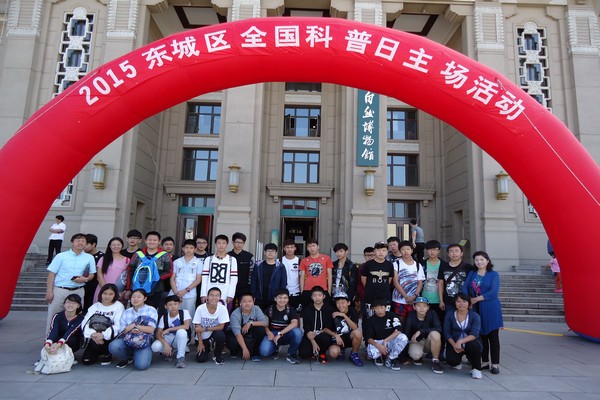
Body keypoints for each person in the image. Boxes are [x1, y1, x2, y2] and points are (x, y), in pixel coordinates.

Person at [45, 233, 96, 333]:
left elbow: (92, 275)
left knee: (76, 316)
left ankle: (69, 339)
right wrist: (49, 291)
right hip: (60, 290)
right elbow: (51, 274)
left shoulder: (89, 258)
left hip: (78, 290)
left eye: (83, 241)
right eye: (78, 240)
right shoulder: (61, 256)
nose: (80, 243)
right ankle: (49, 338)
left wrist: (84, 279)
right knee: (54, 315)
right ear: (72, 242)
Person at [462, 251, 503, 374]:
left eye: (482, 260)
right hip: (475, 308)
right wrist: (468, 299)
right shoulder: (472, 274)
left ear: (487, 261)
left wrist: (476, 299)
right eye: (476, 260)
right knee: (481, 336)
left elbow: (493, 292)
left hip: (490, 308)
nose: (479, 262)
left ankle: (495, 364)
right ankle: (484, 361)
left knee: (493, 337)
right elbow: (465, 287)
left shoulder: (493, 274)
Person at [109, 289, 158, 370]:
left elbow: (151, 330)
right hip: (128, 338)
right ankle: (128, 357)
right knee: (114, 346)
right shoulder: (127, 312)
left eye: (139, 297)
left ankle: (141, 354)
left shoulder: (151, 310)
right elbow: (122, 329)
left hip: (143, 341)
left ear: (145, 298)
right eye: (133, 297)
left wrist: (134, 326)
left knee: (141, 366)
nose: (135, 299)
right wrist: (131, 330)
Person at [123, 231, 173, 309]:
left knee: (152, 311)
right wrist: (128, 288)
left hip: (156, 289)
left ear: (159, 241)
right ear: (145, 241)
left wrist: (155, 277)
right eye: (149, 240)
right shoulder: (138, 254)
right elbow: (130, 271)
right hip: (137, 288)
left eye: (155, 240)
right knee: (136, 310)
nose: (152, 242)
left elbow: (169, 271)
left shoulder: (164, 255)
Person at [80, 283, 124, 365]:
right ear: (101, 294)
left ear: (115, 295)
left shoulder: (119, 306)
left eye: (111, 294)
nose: (107, 296)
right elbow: (85, 322)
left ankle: (107, 352)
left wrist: (103, 335)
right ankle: (99, 352)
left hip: (109, 337)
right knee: (86, 361)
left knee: (105, 343)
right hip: (94, 337)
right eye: (105, 293)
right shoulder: (95, 306)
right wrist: (93, 334)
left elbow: (118, 325)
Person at [443, 293, 483, 379]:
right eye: (458, 301)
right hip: (454, 342)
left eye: (464, 301)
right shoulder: (450, 314)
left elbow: (474, 334)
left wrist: (460, 342)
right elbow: (446, 333)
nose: (461, 304)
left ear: (469, 303)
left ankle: (476, 369)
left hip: (470, 342)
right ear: (455, 303)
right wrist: (454, 345)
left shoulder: (475, 316)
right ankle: (457, 362)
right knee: (451, 361)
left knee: (474, 346)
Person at [362, 298, 408, 371]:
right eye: (376, 308)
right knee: (371, 352)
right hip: (378, 342)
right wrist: (378, 345)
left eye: (381, 307)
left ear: (385, 308)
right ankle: (378, 357)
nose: (379, 310)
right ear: (373, 309)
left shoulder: (392, 315)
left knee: (403, 337)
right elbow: (368, 338)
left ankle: (391, 358)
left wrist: (386, 340)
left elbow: (398, 330)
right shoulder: (370, 320)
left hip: (390, 341)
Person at [259, 288, 302, 364]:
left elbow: (294, 323)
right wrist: (268, 332)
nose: (282, 300)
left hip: (285, 334)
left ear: (288, 299)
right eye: (280, 298)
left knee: (298, 332)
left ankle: (291, 354)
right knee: (264, 351)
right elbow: (265, 324)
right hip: (273, 335)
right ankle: (275, 349)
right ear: (275, 299)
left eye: (285, 298)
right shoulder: (269, 310)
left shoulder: (291, 310)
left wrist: (280, 334)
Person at [402, 296, 444, 373]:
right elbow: (406, 334)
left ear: (428, 307)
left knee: (435, 334)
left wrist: (420, 331)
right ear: (414, 307)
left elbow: (439, 328)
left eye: (424, 306)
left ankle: (435, 361)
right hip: (417, 341)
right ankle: (419, 357)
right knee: (415, 355)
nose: (422, 308)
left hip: (429, 341)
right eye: (419, 306)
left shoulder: (432, 313)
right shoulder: (411, 315)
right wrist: (403, 357)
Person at [360, 241, 400, 319]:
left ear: (387, 252)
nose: (381, 252)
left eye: (383, 250)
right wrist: (370, 288)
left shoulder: (389, 265)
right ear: (374, 251)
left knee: (385, 318)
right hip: (370, 296)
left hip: (385, 296)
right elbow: (363, 279)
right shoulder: (368, 264)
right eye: (378, 250)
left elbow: (389, 280)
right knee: (370, 318)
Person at [200, 234, 238, 313]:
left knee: (223, 314)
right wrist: (203, 294)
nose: (221, 245)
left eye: (223, 243)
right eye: (219, 243)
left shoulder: (232, 260)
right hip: (210, 292)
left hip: (225, 293)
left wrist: (230, 294)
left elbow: (234, 279)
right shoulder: (209, 259)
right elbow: (204, 277)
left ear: (227, 244)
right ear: (215, 244)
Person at [151, 295, 192, 368]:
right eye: (170, 305)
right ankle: (168, 351)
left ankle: (180, 358)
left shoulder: (184, 312)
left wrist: (169, 329)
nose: (173, 307)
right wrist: (166, 345)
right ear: (166, 306)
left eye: (175, 304)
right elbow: (158, 334)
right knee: (155, 347)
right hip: (168, 339)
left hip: (179, 338)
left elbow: (186, 326)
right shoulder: (164, 317)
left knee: (181, 332)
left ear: (179, 304)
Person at [298, 286, 336, 363]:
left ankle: (322, 353)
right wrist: (313, 342)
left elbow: (328, 327)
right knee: (303, 354)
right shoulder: (307, 310)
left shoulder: (329, 309)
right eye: (314, 295)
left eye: (319, 295)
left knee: (325, 338)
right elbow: (306, 327)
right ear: (311, 297)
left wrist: (317, 333)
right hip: (310, 336)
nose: (317, 298)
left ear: (324, 296)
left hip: (323, 334)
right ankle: (314, 351)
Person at [226, 293, 268, 361]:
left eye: (249, 301)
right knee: (232, 341)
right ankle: (236, 351)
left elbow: (265, 322)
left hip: (248, 334)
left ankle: (255, 353)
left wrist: (250, 323)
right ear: (240, 303)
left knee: (260, 329)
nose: (247, 304)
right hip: (236, 334)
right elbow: (237, 334)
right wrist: (244, 349)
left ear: (253, 302)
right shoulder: (235, 314)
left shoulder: (256, 309)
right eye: (244, 301)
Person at [192, 286, 229, 364]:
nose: (214, 298)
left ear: (220, 297)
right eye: (212, 295)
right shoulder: (200, 308)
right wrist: (200, 343)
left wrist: (205, 329)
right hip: (202, 336)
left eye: (217, 295)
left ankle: (217, 355)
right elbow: (197, 328)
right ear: (207, 296)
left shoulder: (223, 308)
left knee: (221, 335)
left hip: (214, 333)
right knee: (201, 359)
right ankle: (208, 347)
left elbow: (221, 327)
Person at [391, 241, 425, 324]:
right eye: (403, 249)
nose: (406, 251)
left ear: (412, 250)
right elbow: (395, 282)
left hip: (414, 299)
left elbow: (420, 283)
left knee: (413, 321)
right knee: (400, 321)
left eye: (408, 249)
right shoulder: (396, 264)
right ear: (400, 251)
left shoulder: (418, 265)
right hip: (399, 299)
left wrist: (414, 296)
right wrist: (406, 297)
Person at [169, 239, 202, 322]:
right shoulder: (177, 262)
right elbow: (172, 278)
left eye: (191, 248)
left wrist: (185, 291)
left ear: (195, 249)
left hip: (189, 294)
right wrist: (176, 293)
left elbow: (198, 280)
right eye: (186, 247)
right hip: (175, 293)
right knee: (172, 315)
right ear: (183, 249)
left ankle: (188, 330)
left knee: (188, 316)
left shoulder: (198, 262)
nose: (188, 250)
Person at [438, 244, 474, 316]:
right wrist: (441, 301)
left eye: (456, 251)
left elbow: (471, 285)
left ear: (461, 253)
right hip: (449, 301)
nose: (454, 253)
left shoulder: (468, 267)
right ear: (448, 254)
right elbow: (440, 283)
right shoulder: (443, 266)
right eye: (451, 251)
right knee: (450, 319)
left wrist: (471, 301)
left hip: (464, 301)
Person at [329, 292, 363, 367]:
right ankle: (341, 350)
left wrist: (344, 315)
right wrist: (335, 335)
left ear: (348, 303)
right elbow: (327, 328)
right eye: (338, 303)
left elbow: (354, 327)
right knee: (333, 353)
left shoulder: (352, 311)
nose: (340, 305)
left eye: (343, 303)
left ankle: (354, 354)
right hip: (337, 339)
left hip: (349, 337)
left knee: (357, 333)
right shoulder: (333, 312)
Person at [250, 243, 287, 310]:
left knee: (272, 315)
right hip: (259, 297)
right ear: (264, 252)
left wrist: (280, 296)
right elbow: (253, 281)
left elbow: (283, 282)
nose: (270, 253)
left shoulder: (280, 266)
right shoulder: (258, 265)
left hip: (274, 297)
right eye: (268, 251)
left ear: (276, 253)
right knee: (259, 314)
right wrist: (253, 295)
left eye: (272, 251)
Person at [299, 238, 333, 307]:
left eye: (313, 246)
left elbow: (329, 275)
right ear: (307, 248)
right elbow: (302, 276)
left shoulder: (326, 258)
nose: (312, 248)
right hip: (308, 289)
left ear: (318, 247)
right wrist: (302, 291)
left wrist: (329, 291)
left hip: (323, 289)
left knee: (324, 310)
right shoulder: (304, 260)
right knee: (307, 310)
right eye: (309, 246)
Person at [94, 237, 129, 302]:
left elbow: (126, 278)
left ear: (122, 246)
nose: (116, 246)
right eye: (114, 245)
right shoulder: (103, 259)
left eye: (118, 245)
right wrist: (107, 290)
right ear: (110, 246)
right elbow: (99, 276)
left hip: (118, 291)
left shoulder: (127, 260)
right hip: (103, 289)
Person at [421, 240, 447, 324]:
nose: (432, 252)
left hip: (439, 299)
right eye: (430, 249)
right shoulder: (421, 264)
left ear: (439, 251)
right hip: (425, 298)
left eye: (435, 249)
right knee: (425, 321)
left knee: (439, 321)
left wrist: (442, 300)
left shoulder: (444, 264)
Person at [229, 232, 255, 304]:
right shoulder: (228, 256)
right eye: (237, 242)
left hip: (245, 287)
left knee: (244, 306)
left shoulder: (249, 256)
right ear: (233, 242)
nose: (239, 244)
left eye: (241, 242)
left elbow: (252, 273)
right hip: (230, 286)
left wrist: (250, 287)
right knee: (229, 307)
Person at [83, 234, 104, 312]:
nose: (83, 246)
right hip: (82, 285)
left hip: (94, 287)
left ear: (94, 244)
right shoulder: (81, 255)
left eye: (86, 244)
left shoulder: (102, 257)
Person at [280, 239, 301, 312]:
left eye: (291, 247)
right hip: (282, 292)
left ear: (295, 248)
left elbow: (301, 277)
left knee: (295, 314)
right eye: (287, 247)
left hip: (296, 292)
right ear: (284, 248)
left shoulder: (299, 261)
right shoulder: (279, 261)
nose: (289, 249)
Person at [193, 233, 212, 307]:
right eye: (199, 243)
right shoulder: (191, 255)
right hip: (193, 284)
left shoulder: (211, 256)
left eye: (204, 243)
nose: (201, 245)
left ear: (207, 244)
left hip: (206, 284)